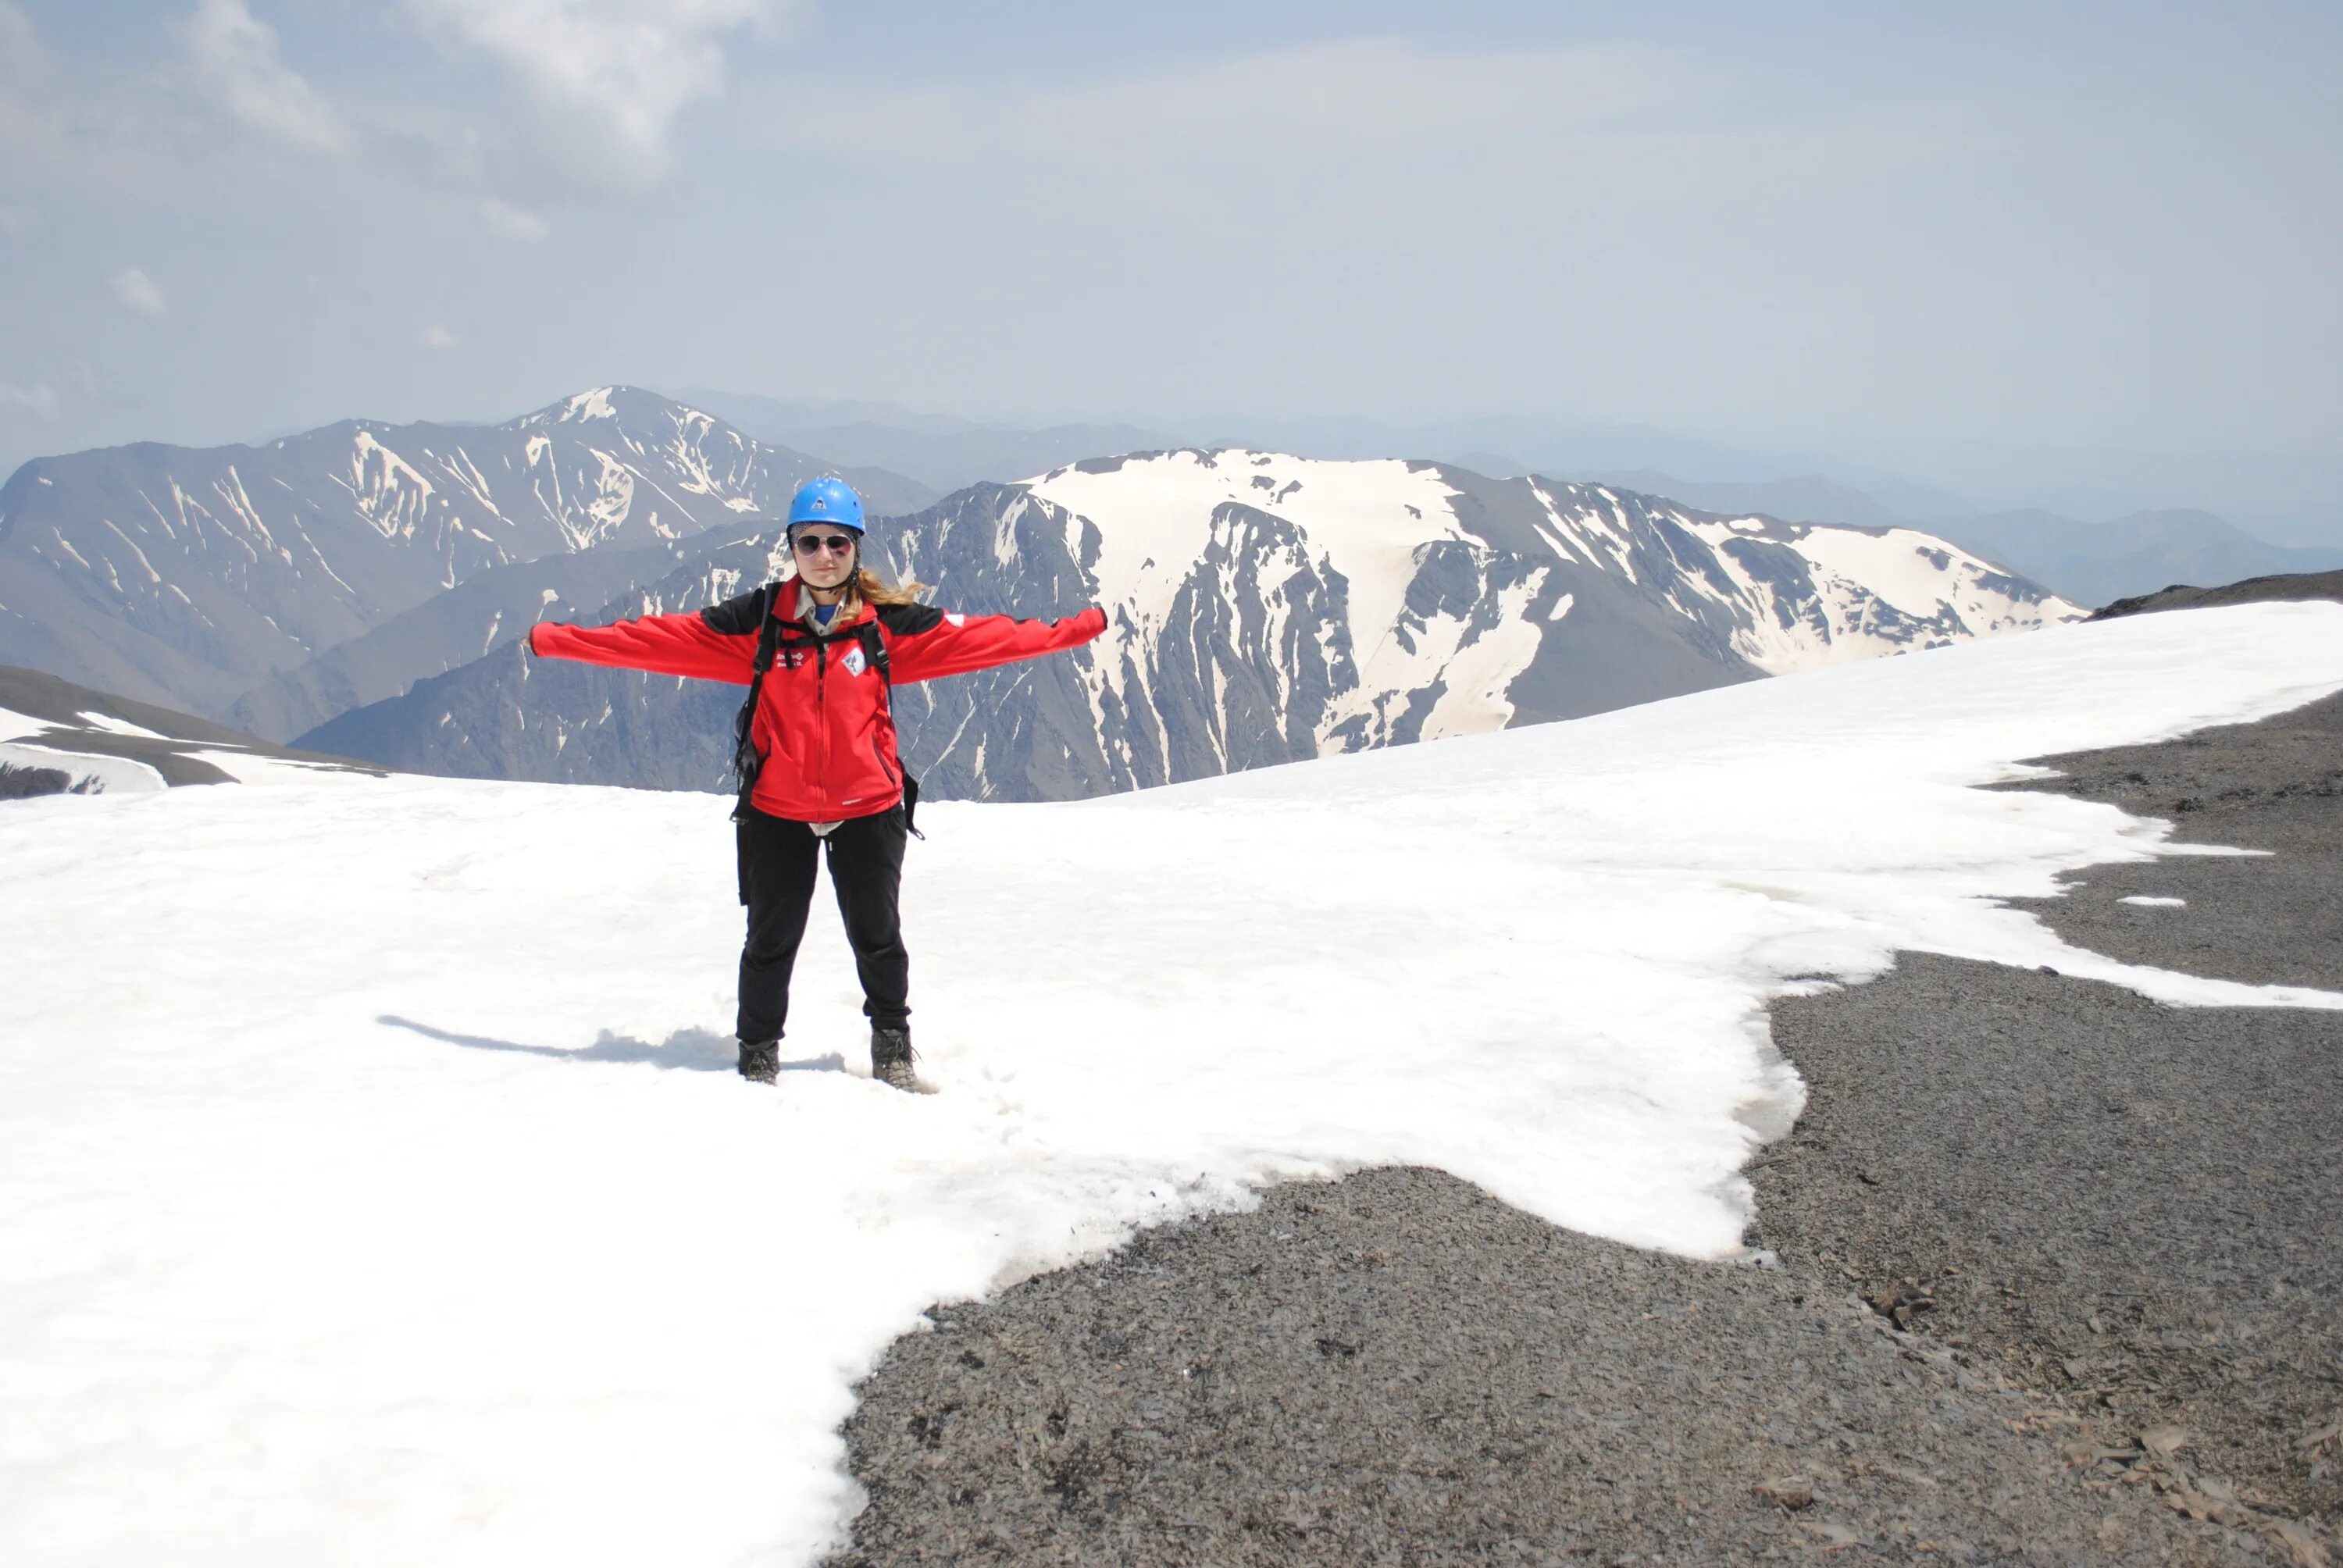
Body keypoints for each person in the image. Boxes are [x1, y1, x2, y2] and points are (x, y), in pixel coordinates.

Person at [526, 476, 1107, 1090]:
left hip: (870, 809)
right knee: (769, 943)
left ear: (855, 548)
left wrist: (1077, 629)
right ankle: (757, 1054)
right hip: (777, 810)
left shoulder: (889, 628)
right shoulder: (758, 626)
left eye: (836, 542)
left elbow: (989, 638)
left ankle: (892, 1044)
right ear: (792, 547)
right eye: (810, 543)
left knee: (878, 939)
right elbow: (655, 641)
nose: (824, 556)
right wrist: (556, 641)